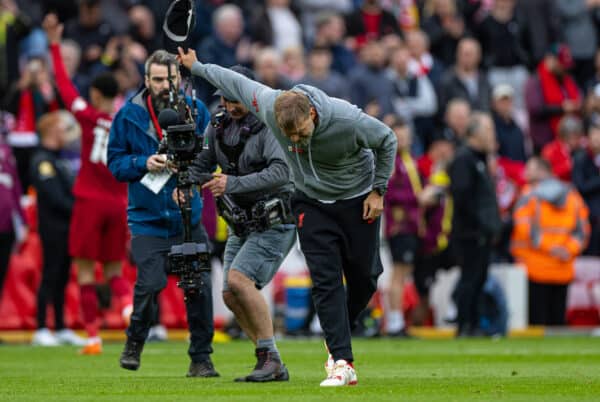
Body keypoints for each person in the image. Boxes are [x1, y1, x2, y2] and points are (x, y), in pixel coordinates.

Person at [178, 46, 397, 387]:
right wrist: (197, 65)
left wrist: (379, 190)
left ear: (312, 114)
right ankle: (341, 361)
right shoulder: (269, 103)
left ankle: (337, 334)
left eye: (299, 133)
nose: (294, 140)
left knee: (365, 277)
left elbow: (387, 140)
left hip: (357, 198)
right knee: (325, 280)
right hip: (310, 200)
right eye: (288, 134)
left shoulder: (347, 119)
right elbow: (232, 79)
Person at [175, 65, 295, 382]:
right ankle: (272, 361)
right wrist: (185, 184)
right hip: (241, 223)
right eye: (224, 99)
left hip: (273, 220)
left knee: (240, 281)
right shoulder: (217, 126)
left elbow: (282, 173)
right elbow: (202, 165)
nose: (229, 105)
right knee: (229, 293)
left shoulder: (270, 126)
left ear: (249, 94)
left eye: (234, 99)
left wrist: (232, 184)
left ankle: (267, 357)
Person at [107, 49, 217, 377]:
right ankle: (135, 340)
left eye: (169, 79)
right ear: (146, 81)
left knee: (199, 286)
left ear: (180, 79)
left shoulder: (197, 110)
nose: (164, 85)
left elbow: (210, 156)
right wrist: (143, 163)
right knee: (150, 283)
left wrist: (194, 178)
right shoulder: (128, 115)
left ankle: (201, 357)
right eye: (157, 79)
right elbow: (114, 163)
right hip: (147, 217)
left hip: (187, 213)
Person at [43, 13, 132, 355]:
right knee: (113, 268)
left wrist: (54, 46)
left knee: (84, 272)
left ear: (96, 94)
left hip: (88, 201)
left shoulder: (86, 114)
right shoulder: (126, 122)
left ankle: (93, 336)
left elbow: (64, 88)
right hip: (117, 202)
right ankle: (126, 307)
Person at [511, 156, 590, 325]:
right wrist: (567, 250)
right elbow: (582, 230)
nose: (525, 173)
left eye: (530, 169)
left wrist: (549, 248)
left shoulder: (527, 196)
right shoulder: (572, 196)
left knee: (537, 324)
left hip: (535, 268)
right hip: (563, 266)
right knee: (558, 324)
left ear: (542, 171)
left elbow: (525, 230)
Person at [30, 111, 85, 347]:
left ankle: (61, 326)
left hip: (67, 227)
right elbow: (53, 197)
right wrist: (79, 210)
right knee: (50, 274)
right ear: (52, 131)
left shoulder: (59, 159)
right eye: (63, 129)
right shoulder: (42, 160)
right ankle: (42, 326)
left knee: (62, 276)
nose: (68, 135)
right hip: (52, 227)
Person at [448, 112, 501, 337]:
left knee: (478, 279)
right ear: (475, 133)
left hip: (481, 231)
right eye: (488, 130)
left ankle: (474, 324)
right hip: (469, 233)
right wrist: (480, 224)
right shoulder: (464, 159)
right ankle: (464, 325)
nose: (492, 136)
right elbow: (463, 198)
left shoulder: (479, 159)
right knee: (470, 279)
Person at [383, 120, 421, 337]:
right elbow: (389, 192)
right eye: (400, 137)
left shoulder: (408, 160)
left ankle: (397, 320)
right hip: (400, 225)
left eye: (406, 137)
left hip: (411, 224)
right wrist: (418, 198)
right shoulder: (392, 162)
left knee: (403, 273)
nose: (404, 141)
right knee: (398, 273)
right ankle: (394, 322)